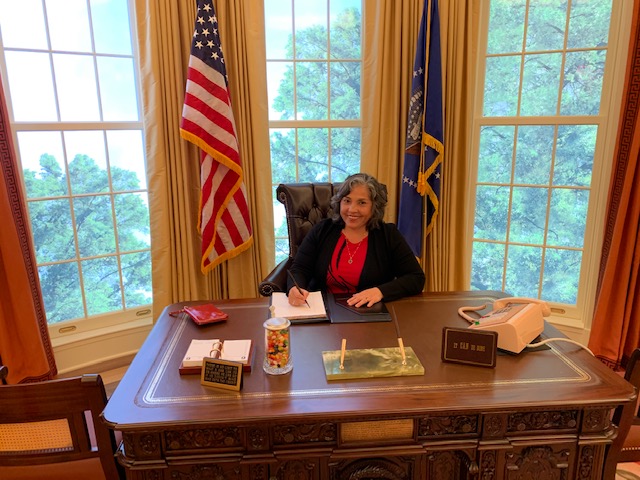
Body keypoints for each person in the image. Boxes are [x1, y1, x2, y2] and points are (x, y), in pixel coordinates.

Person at [287, 173, 425, 308]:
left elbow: (416, 278)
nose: (352, 209)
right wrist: (294, 288)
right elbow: (299, 269)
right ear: (339, 202)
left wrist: (380, 291)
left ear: (374, 207)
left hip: (369, 311)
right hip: (323, 310)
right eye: (347, 201)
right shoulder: (322, 230)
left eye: (362, 203)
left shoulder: (388, 235)